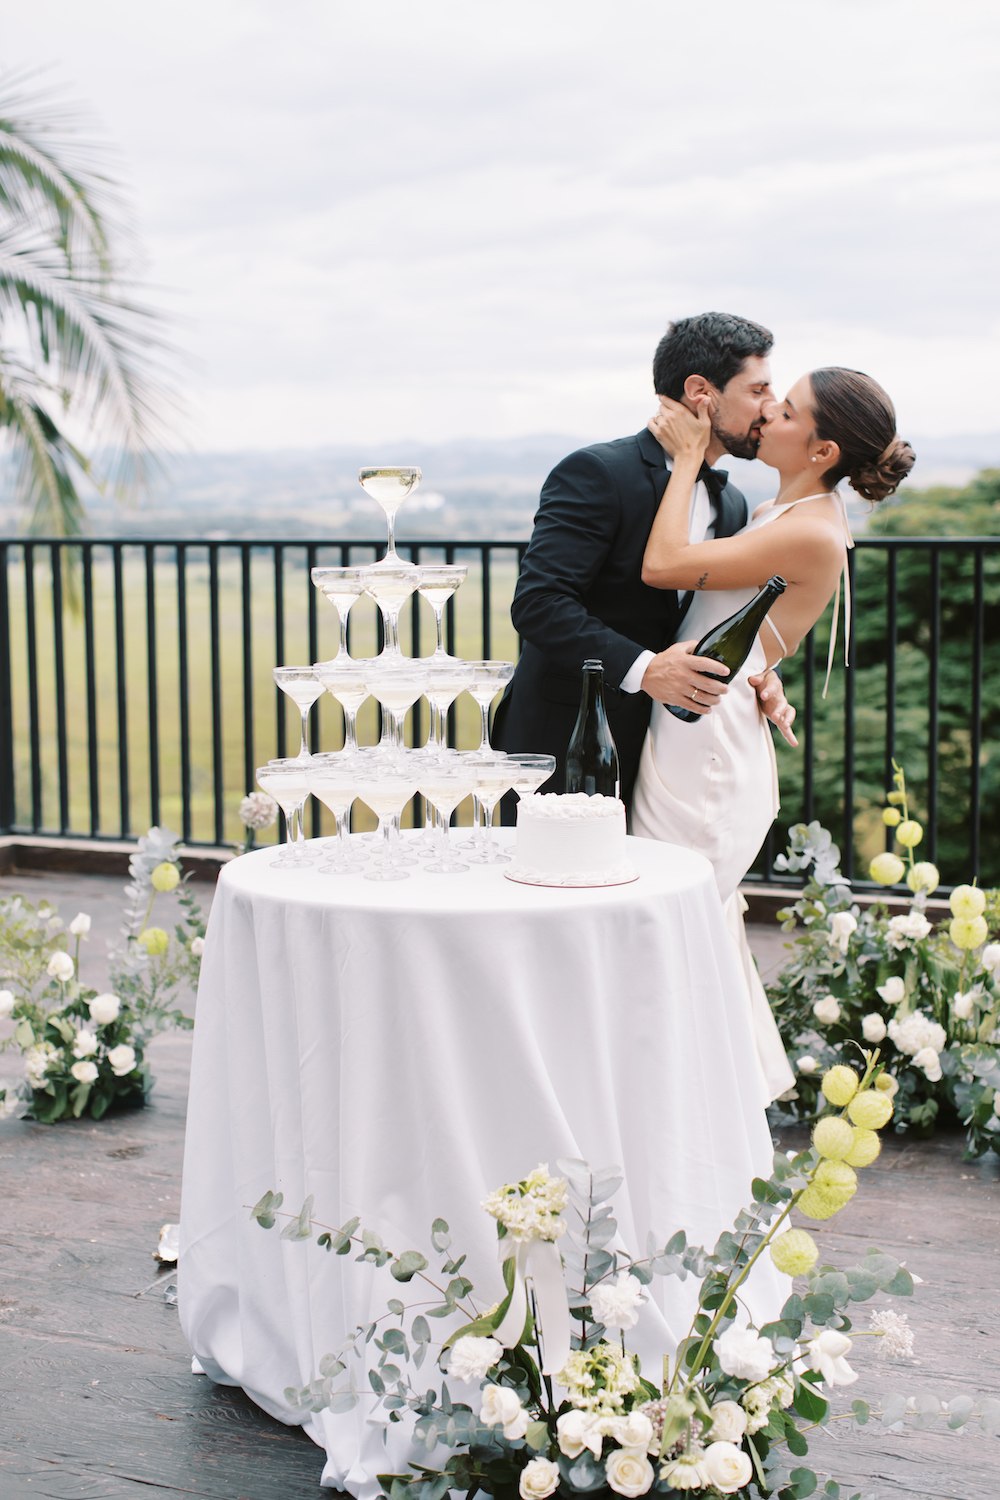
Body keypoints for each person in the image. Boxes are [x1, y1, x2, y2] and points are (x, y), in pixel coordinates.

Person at [631, 366, 915, 1098]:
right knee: (692, 932)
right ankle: (699, 1103)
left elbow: (662, 566)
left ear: (821, 451)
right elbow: (760, 632)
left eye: (786, 411)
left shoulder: (814, 532)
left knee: (669, 922)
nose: (767, 418)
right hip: (702, 715)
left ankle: (683, 1101)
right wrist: (766, 673)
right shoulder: (783, 513)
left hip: (708, 745)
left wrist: (689, 456)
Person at [492, 313, 796, 807]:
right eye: (758, 390)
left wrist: (761, 678)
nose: (772, 407)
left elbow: (711, 620)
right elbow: (539, 603)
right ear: (702, 392)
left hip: (670, 755)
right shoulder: (597, 473)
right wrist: (646, 669)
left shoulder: (733, 501)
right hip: (566, 742)